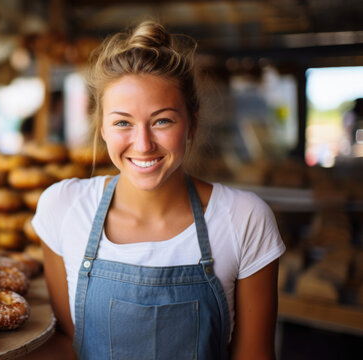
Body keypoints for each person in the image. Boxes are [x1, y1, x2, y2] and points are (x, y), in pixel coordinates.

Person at [32, 21, 285, 359]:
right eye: (123, 122)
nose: (143, 143)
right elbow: (68, 343)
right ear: (103, 127)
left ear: (192, 123)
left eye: (162, 120)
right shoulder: (63, 207)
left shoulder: (244, 218)